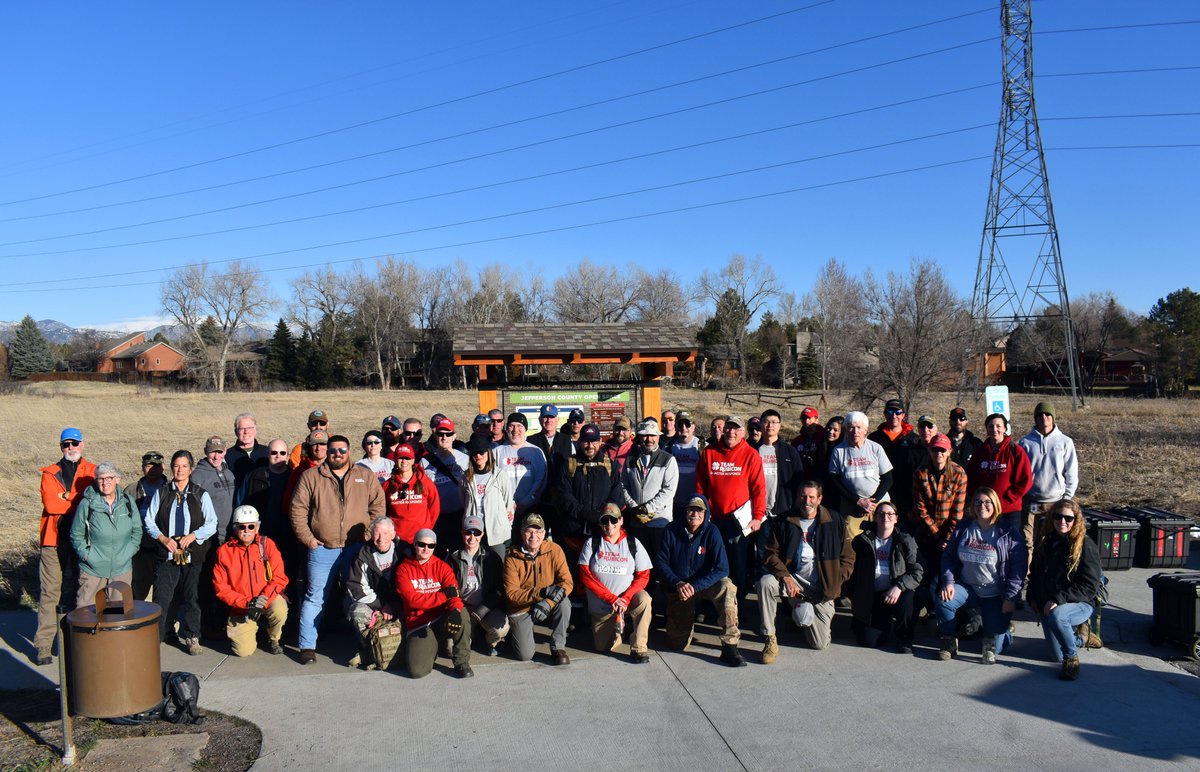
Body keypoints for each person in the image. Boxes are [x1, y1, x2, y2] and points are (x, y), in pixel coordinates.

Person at [290, 434, 385, 665]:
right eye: (333, 450)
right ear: (327, 452)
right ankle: (307, 646)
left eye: (342, 450)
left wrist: (367, 536)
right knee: (315, 598)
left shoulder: (364, 475)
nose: (337, 454)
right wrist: (309, 539)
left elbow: (378, 506)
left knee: (359, 596)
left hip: (356, 549)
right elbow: (298, 510)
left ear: (349, 451)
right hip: (323, 548)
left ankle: (364, 643)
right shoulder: (311, 476)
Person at [756, 481, 854, 660]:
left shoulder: (835, 521)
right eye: (802, 496)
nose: (806, 501)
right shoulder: (784, 521)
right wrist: (785, 576)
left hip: (821, 587)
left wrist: (834, 581)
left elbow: (848, 559)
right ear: (797, 497)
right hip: (793, 582)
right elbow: (770, 554)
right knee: (765, 583)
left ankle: (801, 618)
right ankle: (770, 637)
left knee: (819, 644)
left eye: (811, 497)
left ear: (819, 499)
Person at [934, 487, 1027, 664]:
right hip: (968, 587)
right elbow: (947, 557)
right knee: (944, 600)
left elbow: (1018, 569)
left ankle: (1004, 632)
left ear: (995, 505)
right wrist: (948, 582)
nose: (981, 506)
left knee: (993, 651)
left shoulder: (1008, 532)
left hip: (995, 593)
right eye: (977, 502)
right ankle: (949, 640)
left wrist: (1010, 598)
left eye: (987, 502)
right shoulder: (964, 527)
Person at [656, 495, 745, 667]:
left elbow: (722, 568)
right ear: (685, 511)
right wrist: (677, 582)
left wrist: (695, 586)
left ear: (706, 514)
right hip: (680, 589)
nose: (695, 514)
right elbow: (661, 562)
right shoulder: (671, 530)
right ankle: (686, 622)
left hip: (703, 586)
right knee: (677, 644)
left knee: (727, 586)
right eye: (691, 509)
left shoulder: (712, 531)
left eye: (699, 511)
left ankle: (730, 646)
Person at [144, 450, 218, 654]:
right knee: (162, 597)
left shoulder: (200, 493)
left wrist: (194, 535)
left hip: (193, 555)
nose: (180, 470)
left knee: (192, 596)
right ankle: (158, 637)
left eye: (184, 466)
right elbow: (149, 520)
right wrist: (163, 538)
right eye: (176, 465)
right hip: (167, 554)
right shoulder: (162, 492)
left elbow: (212, 523)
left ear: (191, 469)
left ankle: (192, 636)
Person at [35, 428, 96, 664]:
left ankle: (75, 642)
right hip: (53, 540)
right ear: (60, 446)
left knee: (81, 590)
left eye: (74, 443)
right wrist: (76, 497)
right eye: (65, 444)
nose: (70, 448)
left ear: (83, 444)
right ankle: (43, 645)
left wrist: (66, 497)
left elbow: (91, 500)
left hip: (82, 540)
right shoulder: (50, 473)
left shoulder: (92, 471)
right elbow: (51, 505)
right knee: (50, 591)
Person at [1027, 499, 1103, 681]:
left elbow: (1089, 586)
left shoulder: (1085, 545)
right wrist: (1033, 597)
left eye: (1068, 518)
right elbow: (1035, 575)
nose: (1062, 522)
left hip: (1079, 603)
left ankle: (1072, 660)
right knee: (1055, 656)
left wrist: (1058, 599)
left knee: (1058, 616)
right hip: (1050, 604)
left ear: (1076, 520)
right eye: (1058, 516)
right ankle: (1082, 638)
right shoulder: (1044, 542)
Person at [695, 415, 766, 592]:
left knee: (738, 566)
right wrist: (702, 513)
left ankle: (738, 608)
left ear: (743, 433)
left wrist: (758, 517)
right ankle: (711, 606)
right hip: (713, 520)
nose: (731, 432)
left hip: (738, 523)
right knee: (710, 564)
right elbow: (700, 487)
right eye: (728, 428)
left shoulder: (751, 455)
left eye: (736, 429)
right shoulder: (710, 453)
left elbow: (759, 489)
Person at [578, 504, 652, 663]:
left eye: (613, 520)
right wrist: (612, 599)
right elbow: (585, 576)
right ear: (600, 524)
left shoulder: (633, 543)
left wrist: (625, 598)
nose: (609, 525)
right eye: (605, 521)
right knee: (604, 647)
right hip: (603, 605)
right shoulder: (592, 543)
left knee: (645, 600)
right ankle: (619, 627)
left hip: (627, 600)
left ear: (621, 520)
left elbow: (644, 575)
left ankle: (639, 648)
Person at [395, 528, 473, 678]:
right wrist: (443, 596)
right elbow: (412, 601)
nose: (426, 549)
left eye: (431, 546)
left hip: (440, 618)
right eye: (422, 544)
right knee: (417, 671)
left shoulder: (442, 567)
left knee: (462, 613)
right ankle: (435, 645)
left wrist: (455, 610)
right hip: (419, 623)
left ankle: (462, 662)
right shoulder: (403, 570)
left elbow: (454, 595)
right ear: (414, 544)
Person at [212, 505, 288, 657]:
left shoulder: (268, 545)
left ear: (257, 527)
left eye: (251, 526)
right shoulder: (224, 552)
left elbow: (279, 578)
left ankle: (273, 638)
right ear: (235, 528)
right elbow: (221, 589)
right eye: (242, 527)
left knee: (280, 608)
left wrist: (263, 600)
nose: (246, 530)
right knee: (243, 652)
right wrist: (246, 603)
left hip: (266, 598)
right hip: (242, 607)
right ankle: (251, 628)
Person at [848, 501, 923, 652]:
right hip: (872, 595)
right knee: (868, 641)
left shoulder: (905, 541)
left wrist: (899, 586)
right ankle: (880, 623)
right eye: (881, 513)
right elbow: (851, 569)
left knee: (910, 598)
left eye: (890, 514)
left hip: (895, 592)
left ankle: (904, 638)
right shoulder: (862, 540)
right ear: (875, 518)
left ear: (896, 519)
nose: (885, 517)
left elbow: (917, 571)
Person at [503, 514, 573, 665]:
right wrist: (541, 593)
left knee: (565, 603)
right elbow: (512, 594)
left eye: (538, 531)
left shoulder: (555, 550)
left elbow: (567, 582)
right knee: (525, 655)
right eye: (529, 531)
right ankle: (514, 633)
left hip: (546, 603)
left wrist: (548, 602)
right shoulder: (511, 556)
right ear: (522, 533)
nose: (533, 536)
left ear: (544, 533)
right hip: (522, 607)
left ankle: (558, 647)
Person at [69, 461, 140, 609]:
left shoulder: (128, 502)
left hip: (122, 569)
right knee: (86, 613)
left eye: (109, 478)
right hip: (93, 570)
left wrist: (129, 552)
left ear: (117, 480)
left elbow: (137, 530)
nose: (105, 482)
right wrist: (87, 556)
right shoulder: (86, 504)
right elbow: (76, 534)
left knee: (119, 615)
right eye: (101, 478)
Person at [911, 434, 968, 605]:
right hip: (926, 534)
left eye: (943, 450)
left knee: (948, 576)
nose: (939, 453)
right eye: (935, 449)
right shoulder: (920, 473)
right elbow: (920, 509)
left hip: (950, 537)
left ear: (949, 451)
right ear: (929, 450)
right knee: (926, 574)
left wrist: (947, 539)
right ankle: (927, 608)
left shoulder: (959, 474)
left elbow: (957, 512)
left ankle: (945, 611)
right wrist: (937, 537)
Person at [1018, 402, 1079, 560]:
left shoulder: (1065, 442)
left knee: (1050, 541)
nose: (1044, 418)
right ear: (1035, 419)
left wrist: (1067, 498)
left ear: (1053, 418)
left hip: (1056, 502)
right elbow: (1020, 473)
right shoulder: (1025, 443)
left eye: (1047, 415)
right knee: (1027, 541)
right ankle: (1026, 577)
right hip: (1030, 502)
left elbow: (1071, 472)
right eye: (1040, 415)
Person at [620, 418, 678, 571]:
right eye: (645, 435)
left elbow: (669, 491)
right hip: (637, 522)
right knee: (641, 564)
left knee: (661, 564)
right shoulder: (630, 460)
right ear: (639, 437)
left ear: (659, 437)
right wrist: (633, 507)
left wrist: (647, 509)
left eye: (653, 435)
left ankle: (663, 594)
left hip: (659, 521)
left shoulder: (668, 460)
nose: (649, 439)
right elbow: (623, 486)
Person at [344, 515, 401, 668]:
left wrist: (395, 604)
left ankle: (398, 650)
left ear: (393, 535)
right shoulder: (363, 555)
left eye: (385, 533)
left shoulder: (404, 552)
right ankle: (372, 649)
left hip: (399, 602)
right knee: (357, 611)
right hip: (375, 604)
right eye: (377, 534)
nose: (381, 538)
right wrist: (382, 605)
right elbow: (356, 588)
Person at [448, 516, 510, 656]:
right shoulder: (453, 557)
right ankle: (471, 634)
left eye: (476, 533)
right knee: (451, 650)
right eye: (468, 532)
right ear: (462, 533)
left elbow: (500, 589)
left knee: (501, 629)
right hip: (462, 607)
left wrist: (483, 609)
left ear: (482, 534)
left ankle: (489, 642)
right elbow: (448, 588)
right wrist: (457, 608)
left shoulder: (491, 557)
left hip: (485, 608)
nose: (472, 537)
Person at [826, 411, 893, 538]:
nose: (855, 431)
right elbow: (834, 481)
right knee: (851, 543)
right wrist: (858, 501)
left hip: (878, 505)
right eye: (851, 427)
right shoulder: (838, 451)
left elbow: (888, 479)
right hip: (851, 505)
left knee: (882, 540)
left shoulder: (876, 448)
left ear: (865, 430)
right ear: (846, 429)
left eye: (859, 427)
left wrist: (872, 503)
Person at [965, 413, 1032, 523]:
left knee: (1008, 540)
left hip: (1009, 510)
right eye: (991, 426)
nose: (994, 429)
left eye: (998, 426)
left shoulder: (1015, 451)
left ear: (1005, 428)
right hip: (984, 510)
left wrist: (1009, 498)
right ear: (986, 429)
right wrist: (978, 498)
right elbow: (971, 478)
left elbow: (1025, 480)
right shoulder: (980, 452)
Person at [461, 435, 515, 555]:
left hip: (495, 529)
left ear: (488, 453)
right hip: (473, 530)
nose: (478, 456)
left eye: (481, 452)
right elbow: (463, 500)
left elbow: (508, 502)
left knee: (498, 565)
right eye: (475, 453)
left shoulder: (500, 475)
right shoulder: (465, 477)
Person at [422, 417, 469, 549]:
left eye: (448, 434)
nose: (444, 437)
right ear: (435, 436)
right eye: (440, 434)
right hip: (436, 518)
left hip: (458, 516)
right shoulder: (425, 462)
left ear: (454, 436)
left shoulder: (464, 460)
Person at [492, 413, 549, 522]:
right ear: (507, 428)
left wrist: (525, 503)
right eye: (512, 426)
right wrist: (508, 504)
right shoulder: (497, 452)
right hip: (503, 509)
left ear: (525, 429)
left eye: (520, 426)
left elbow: (541, 479)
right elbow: (493, 481)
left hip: (530, 509)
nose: (515, 430)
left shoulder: (535, 451)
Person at [127, 450, 167, 600]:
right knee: (137, 591)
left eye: (156, 466)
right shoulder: (131, 490)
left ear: (163, 467)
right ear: (142, 467)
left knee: (163, 590)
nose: (152, 469)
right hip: (140, 551)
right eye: (148, 466)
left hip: (163, 549)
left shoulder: (170, 488)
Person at [383, 443, 440, 548]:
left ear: (413, 460)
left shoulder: (426, 483)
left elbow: (434, 509)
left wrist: (427, 529)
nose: (404, 461)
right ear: (395, 460)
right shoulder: (387, 485)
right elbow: (384, 511)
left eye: (407, 458)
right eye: (400, 458)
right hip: (396, 539)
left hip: (420, 539)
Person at [193, 436, 236, 538]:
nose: (216, 457)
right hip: (211, 536)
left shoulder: (229, 473)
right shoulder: (197, 476)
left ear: (225, 451)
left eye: (219, 452)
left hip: (233, 533)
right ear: (205, 452)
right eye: (212, 452)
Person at [668, 410, 704, 517]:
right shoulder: (668, 448)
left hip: (695, 504)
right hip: (674, 504)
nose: (684, 428)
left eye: (687, 424)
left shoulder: (702, 447)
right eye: (680, 424)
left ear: (693, 427)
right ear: (675, 426)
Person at [226, 413, 269, 492]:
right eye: (242, 428)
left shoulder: (267, 452)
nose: (246, 432)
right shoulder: (227, 455)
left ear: (255, 430)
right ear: (236, 432)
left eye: (249, 428)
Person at [790, 406, 825, 480]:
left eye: (809, 418)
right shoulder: (796, 441)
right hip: (802, 478)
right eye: (803, 418)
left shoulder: (824, 438)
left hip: (820, 479)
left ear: (816, 420)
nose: (806, 421)